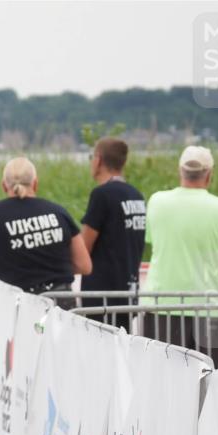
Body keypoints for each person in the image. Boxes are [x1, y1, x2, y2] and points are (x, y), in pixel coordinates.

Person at [143, 147, 218, 367]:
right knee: (209, 381)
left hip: (161, 303)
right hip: (207, 306)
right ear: (209, 174)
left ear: (181, 171)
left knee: (160, 376)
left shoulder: (157, 201)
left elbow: (152, 239)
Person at [0, 157, 91, 307]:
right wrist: (55, 270)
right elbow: (84, 265)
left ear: (4, 186)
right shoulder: (58, 212)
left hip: (19, 305)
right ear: (35, 183)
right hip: (61, 304)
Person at [80, 137, 146, 329]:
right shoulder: (136, 195)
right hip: (128, 290)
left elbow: (84, 247)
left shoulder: (102, 195)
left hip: (101, 296)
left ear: (98, 159)